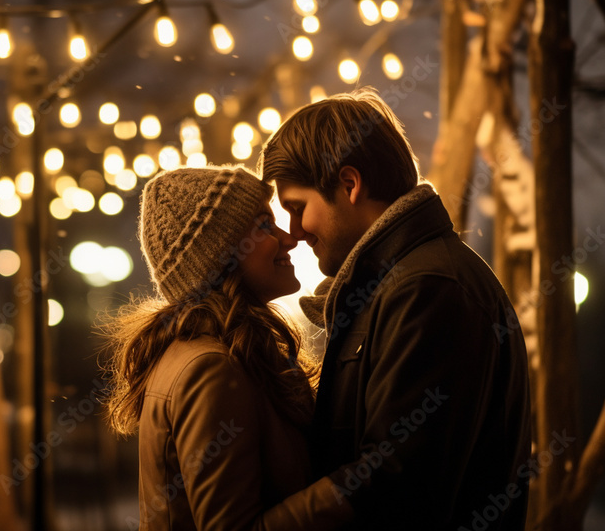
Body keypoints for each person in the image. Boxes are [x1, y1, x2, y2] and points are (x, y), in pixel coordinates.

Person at [259, 87, 531, 530]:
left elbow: (392, 484)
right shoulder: (400, 283)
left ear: (350, 184)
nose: (294, 232)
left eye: (297, 207)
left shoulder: (427, 288)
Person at [102, 165, 354, 529]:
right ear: (221, 257)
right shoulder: (210, 368)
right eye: (264, 226)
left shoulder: (234, 352)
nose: (289, 238)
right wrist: (351, 487)